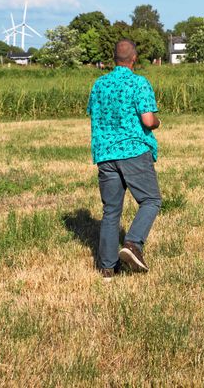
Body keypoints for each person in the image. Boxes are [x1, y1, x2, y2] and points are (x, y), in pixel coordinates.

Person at [86, 39, 162, 280]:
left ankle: (108, 269)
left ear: (113, 59)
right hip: (133, 151)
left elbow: (95, 115)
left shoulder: (99, 84)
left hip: (105, 154)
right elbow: (148, 121)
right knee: (151, 200)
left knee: (111, 211)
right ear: (134, 59)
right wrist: (158, 123)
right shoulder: (138, 83)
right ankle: (132, 244)